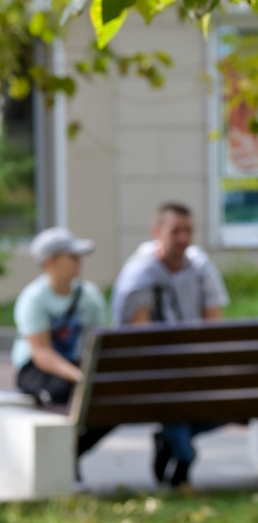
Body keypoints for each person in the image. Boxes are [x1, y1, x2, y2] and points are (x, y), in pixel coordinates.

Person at [111, 203, 230, 486]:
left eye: (188, 231)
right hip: (155, 373)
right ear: (156, 232)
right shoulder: (139, 276)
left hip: (191, 366)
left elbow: (215, 330)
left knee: (232, 394)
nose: (183, 238)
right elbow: (145, 344)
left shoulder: (201, 269)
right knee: (171, 390)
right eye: (176, 231)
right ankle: (184, 455)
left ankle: (175, 443)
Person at [11, 227, 113, 459]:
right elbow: (41, 352)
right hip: (38, 370)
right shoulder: (34, 299)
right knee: (58, 395)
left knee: (110, 400)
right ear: (50, 262)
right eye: (73, 257)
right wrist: (79, 376)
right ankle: (60, 460)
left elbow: (98, 341)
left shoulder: (90, 296)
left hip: (76, 365)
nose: (80, 262)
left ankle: (69, 458)